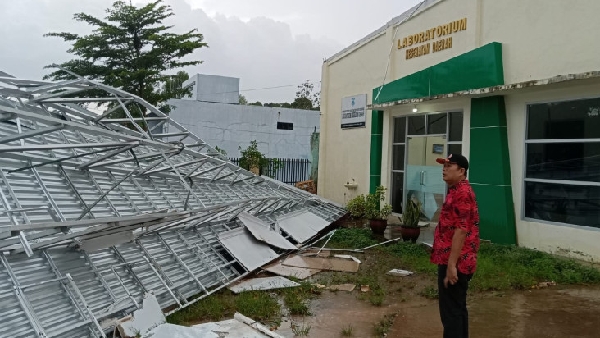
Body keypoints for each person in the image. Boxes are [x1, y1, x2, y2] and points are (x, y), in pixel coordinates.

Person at [431, 153, 480, 338]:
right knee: (457, 310)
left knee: (451, 313)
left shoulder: (462, 193)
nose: (444, 168)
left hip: (456, 262)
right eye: (444, 165)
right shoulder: (456, 190)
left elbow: (462, 229)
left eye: (449, 165)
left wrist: (451, 265)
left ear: (461, 171)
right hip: (453, 259)